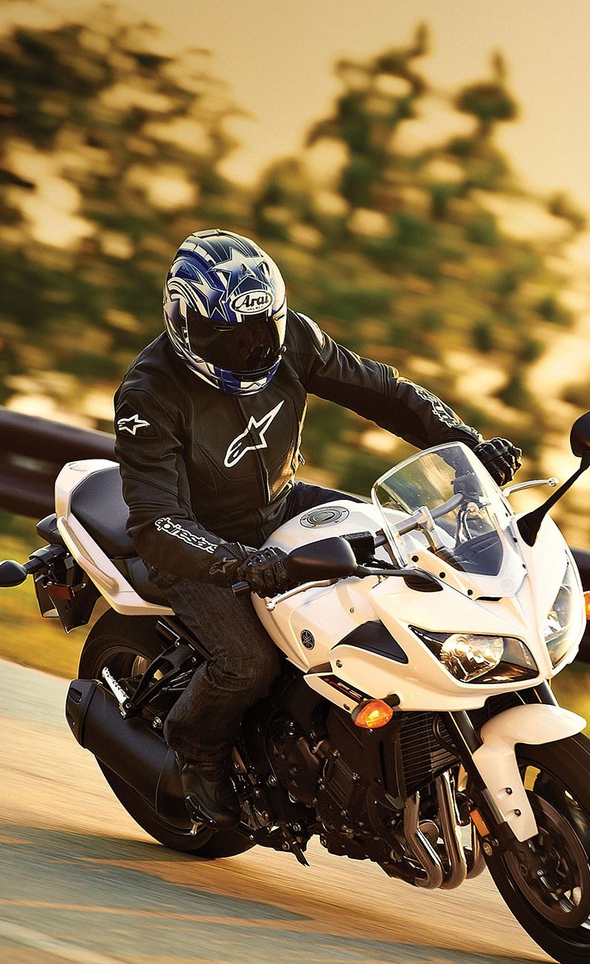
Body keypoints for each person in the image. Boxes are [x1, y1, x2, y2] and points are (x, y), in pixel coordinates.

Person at [113, 229, 522, 828]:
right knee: (248, 663)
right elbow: (157, 523)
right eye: (232, 337)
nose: (254, 349)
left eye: (263, 330)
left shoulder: (294, 342)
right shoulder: (148, 395)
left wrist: (463, 444)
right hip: (195, 544)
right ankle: (195, 748)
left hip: (281, 504)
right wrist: (240, 563)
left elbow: (386, 392)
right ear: (187, 326)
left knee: (401, 562)